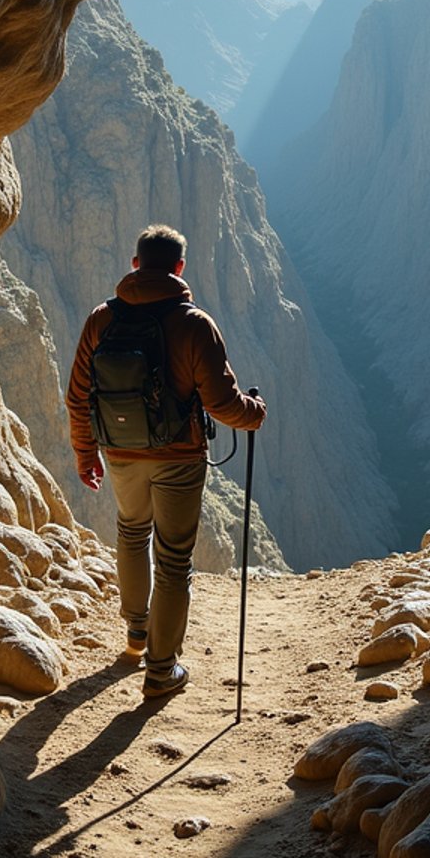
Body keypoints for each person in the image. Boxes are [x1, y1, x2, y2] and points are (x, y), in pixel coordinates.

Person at [65, 223, 266, 699]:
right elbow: (221, 403)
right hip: (178, 458)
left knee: (131, 533)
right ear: (179, 268)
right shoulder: (194, 323)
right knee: (174, 561)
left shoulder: (101, 319)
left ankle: (137, 632)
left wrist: (84, 452)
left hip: (119, 452)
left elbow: (78, 397)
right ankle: (161, 670)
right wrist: (254, 415)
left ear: (135, 265)